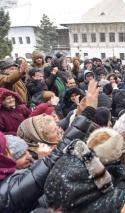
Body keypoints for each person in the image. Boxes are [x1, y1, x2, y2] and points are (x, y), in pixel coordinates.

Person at [0, 79, 101, 212]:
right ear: (40, 138)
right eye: (55, 131)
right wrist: (88, 112)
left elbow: (63, 128)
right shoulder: (10, 189)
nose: (60, 132)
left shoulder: (43, 147)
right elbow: (61, 148)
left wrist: (79, 112)